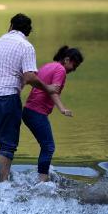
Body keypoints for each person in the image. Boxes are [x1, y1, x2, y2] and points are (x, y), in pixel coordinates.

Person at [0, 13, 60, 182]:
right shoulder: (26, 46)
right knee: (7, 143)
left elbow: (7, 69)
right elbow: (29, 77)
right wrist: (48, 88)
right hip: (6, 98)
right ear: (28, 31)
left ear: (11, 26)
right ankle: (2, 183)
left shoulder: (0, 41)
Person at [22, 46, 84, 182]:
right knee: (48, 147)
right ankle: (42, 181)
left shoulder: (49, 65)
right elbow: (53, 91)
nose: (74, 69)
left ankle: (41, 176)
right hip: (36, 112)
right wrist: (62, 108)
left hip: (28, 111)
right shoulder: (60, 70)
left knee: (46, 146)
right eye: (75, 64)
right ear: (67, 60)